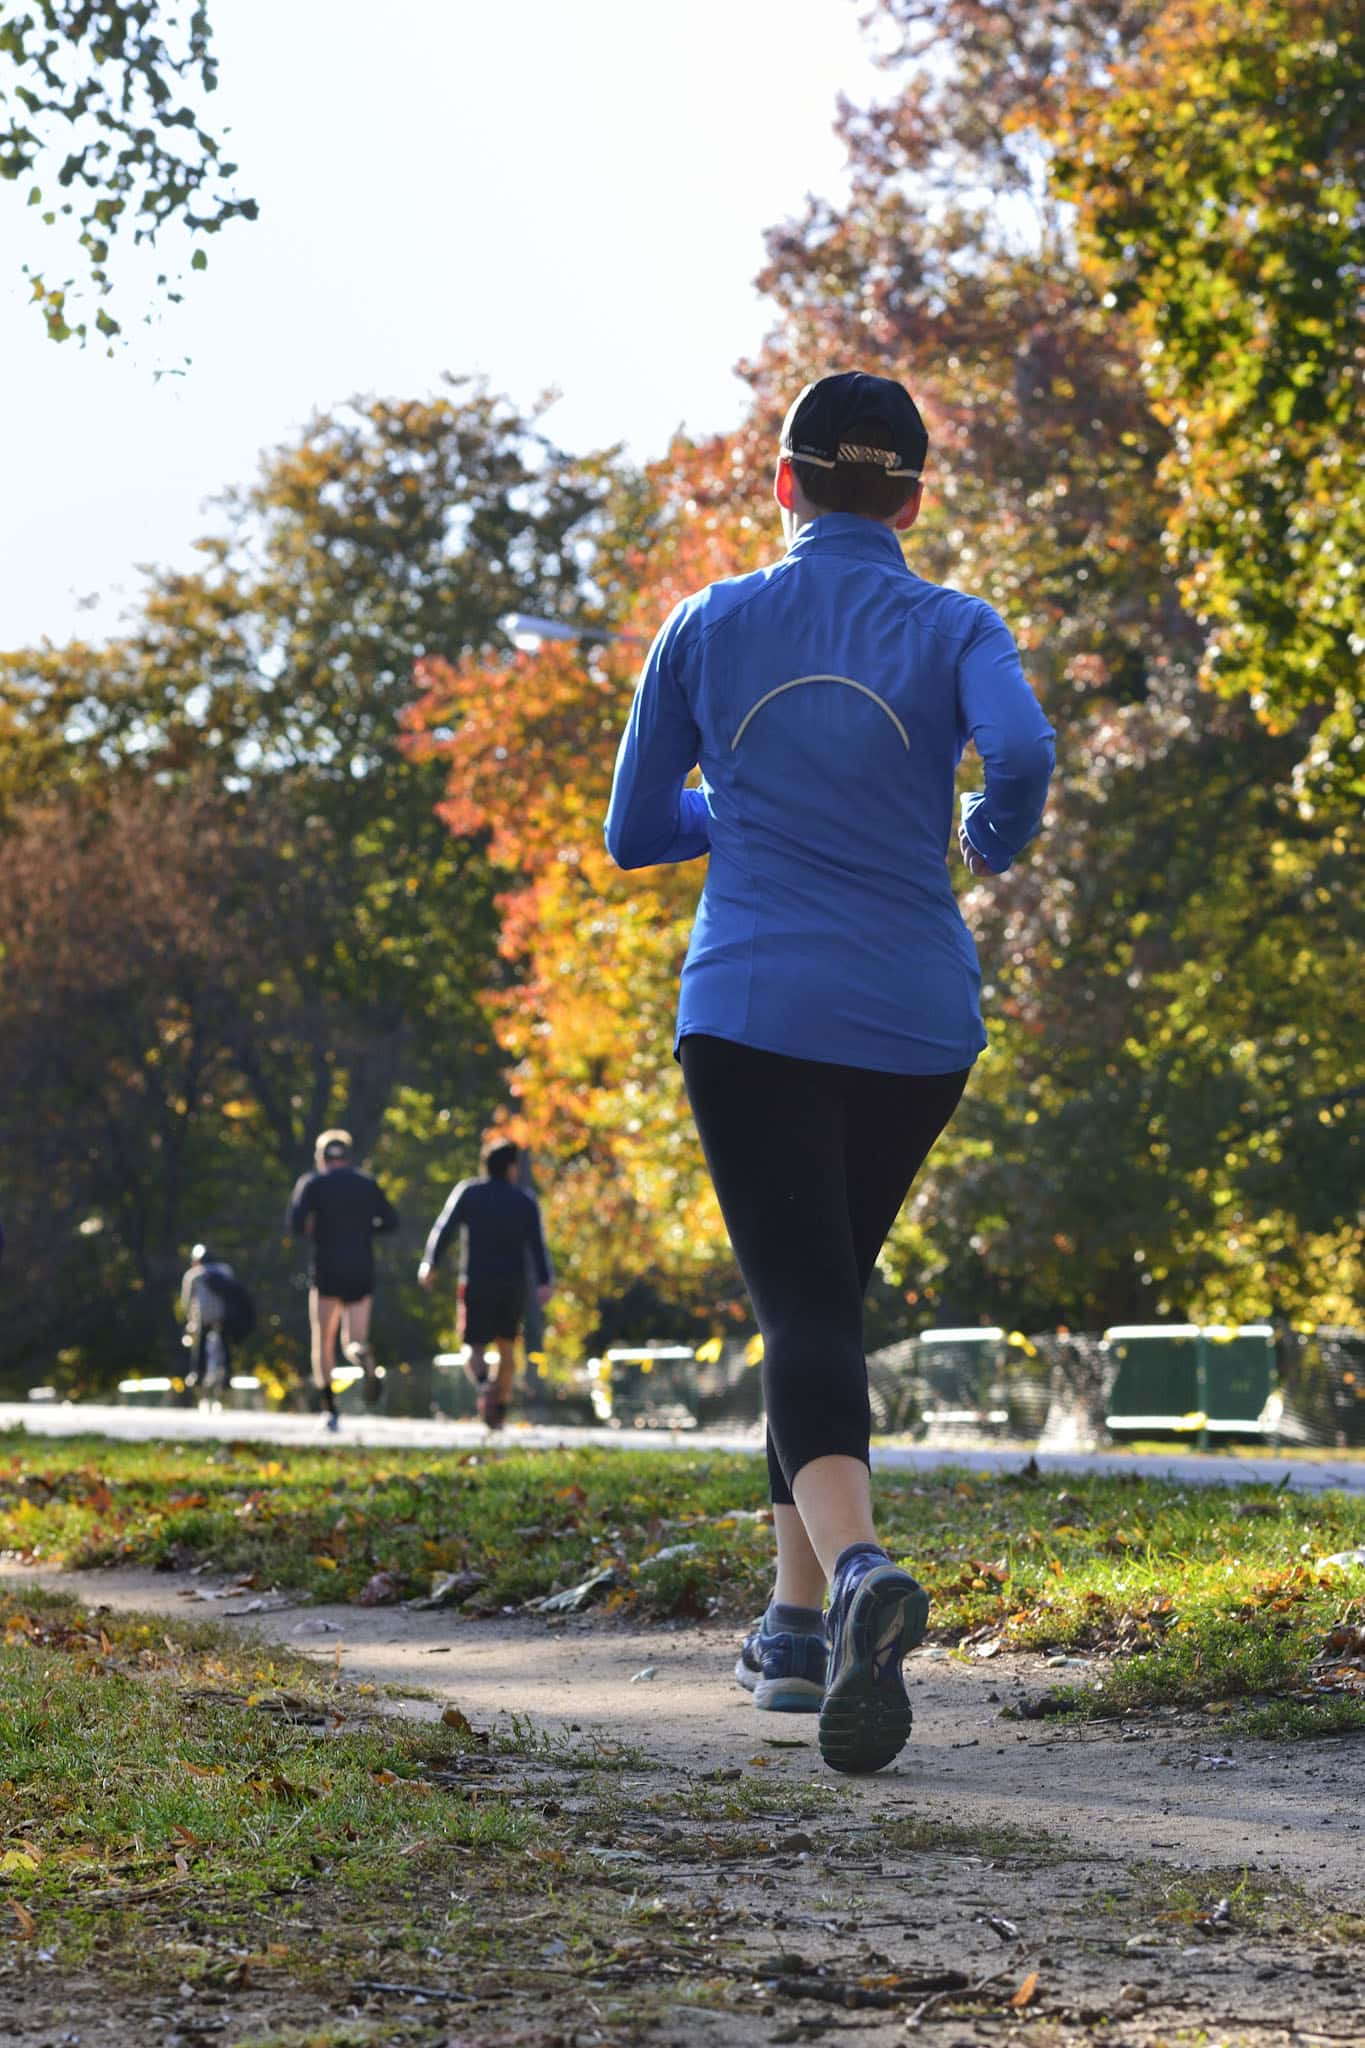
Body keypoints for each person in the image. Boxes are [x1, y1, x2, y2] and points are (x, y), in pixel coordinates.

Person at [604, 370, 1054, 1774]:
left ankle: (855, 1574)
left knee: (798, 1303)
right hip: (917, 1023)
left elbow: (632, 831)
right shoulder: (955, 623)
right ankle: (793, 1634)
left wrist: (729, 806)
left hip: (752, 1007)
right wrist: (987, 831)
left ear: (783, 483)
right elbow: (1024, 750)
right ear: (913, 500)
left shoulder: (708, 622)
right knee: (821, 1308)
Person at [418, 1139, 553, 1430]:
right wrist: (544, 1281)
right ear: (510, 1166)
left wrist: (430, 1263)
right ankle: (499, 1409)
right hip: (512, 1284)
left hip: (476, 1281)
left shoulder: (469, 1192)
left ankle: (482, 1384)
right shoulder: (524, 1200)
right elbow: (537, 1246)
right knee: (506, 1349)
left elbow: (444, 1227)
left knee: (472, 1346)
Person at [288, 1129, 399, 1428]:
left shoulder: (313, 1184)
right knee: (355, 1339)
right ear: (348, 1156)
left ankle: (329, 1408)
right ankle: (364, 1359)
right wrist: (365, 1229)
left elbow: (296, 1223)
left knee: (323, 1340)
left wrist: (318, 1229)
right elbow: (391, 1221)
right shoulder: (366, 1183)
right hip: (361, 1268)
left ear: (322, 1157)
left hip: (327, 1269)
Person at [179, 1244, 241, 1398]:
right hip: (225, 1316)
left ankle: (197, 1375)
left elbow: (186, 1302)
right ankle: (227, 1375)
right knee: (226, 1344)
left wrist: (189, 1321)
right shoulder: (226, 1270)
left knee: (199, 1345)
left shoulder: (193, 1275)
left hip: (204, 1317)